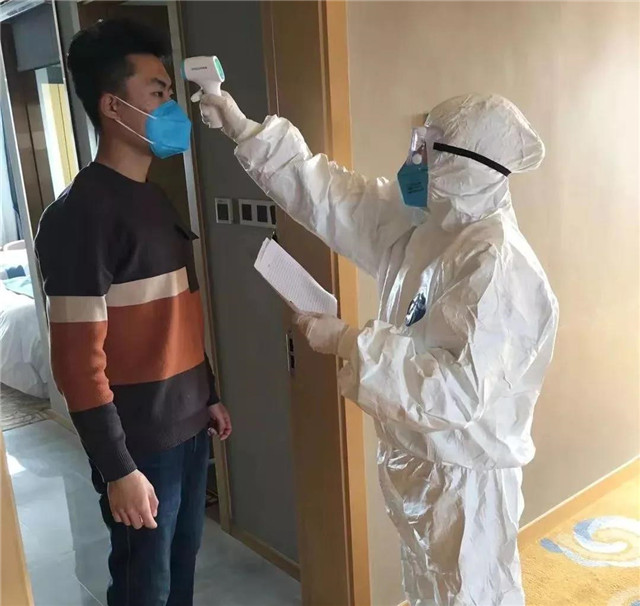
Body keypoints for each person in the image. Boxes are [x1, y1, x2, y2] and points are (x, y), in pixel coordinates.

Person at [194, 90, 558, 605]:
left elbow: (452, 393)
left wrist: (349, 341)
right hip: (415, 458)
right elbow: (332, 197)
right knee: (427, 588)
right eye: (417, 145)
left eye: (427, 151)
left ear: (470, 166)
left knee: (472, 595)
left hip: (464, 478)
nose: (413, 164)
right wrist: (244, 130)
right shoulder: (424, 223)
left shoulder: (498, 266)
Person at [35, 19, 231, 606]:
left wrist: (207, 394)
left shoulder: (155, 198)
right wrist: (119, 468)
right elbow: (77, 364)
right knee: (145, 584)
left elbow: (179, 315)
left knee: (181, 569)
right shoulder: (79, 217)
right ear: (112, 106)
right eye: (158, 92)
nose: (172, 106)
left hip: (188, 425)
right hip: (140, 441)